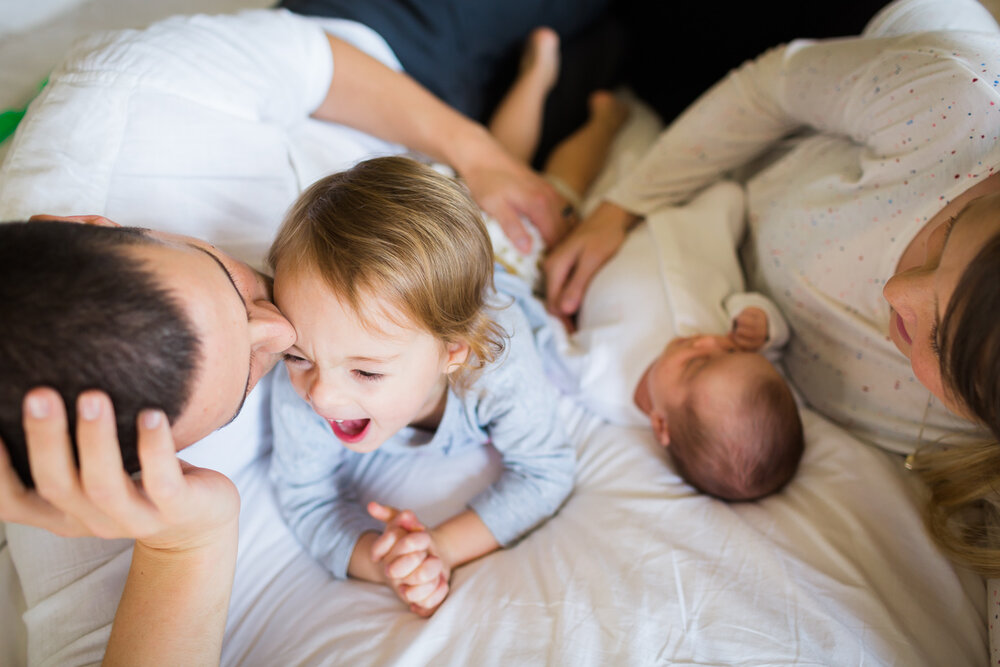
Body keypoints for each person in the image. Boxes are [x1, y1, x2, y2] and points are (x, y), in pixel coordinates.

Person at [0, 7, 586, 663]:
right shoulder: (84, 507)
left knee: (533, 185)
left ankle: (545, 83)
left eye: (240, 284)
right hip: (408, 230)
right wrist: (205, 537)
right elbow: (308, 497)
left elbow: (320, 59)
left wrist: (477, 154)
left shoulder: (127, 89)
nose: (285, 333)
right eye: (271, 364)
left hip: (409, 128)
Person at [542, 0, 1000, 574]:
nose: (891, 293)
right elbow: (769, 88)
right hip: (777, 81)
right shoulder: (959, 107)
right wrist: (622, 206)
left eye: (936, 341)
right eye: (951, 231)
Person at [267, 156, 574, 617]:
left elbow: (545, 471)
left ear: (453, 353)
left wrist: (444, 546)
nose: (321, 396)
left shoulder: (499, 370)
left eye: (367, 372)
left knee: (554, 187)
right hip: (441, 247)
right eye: (296, 357)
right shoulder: (312, 357)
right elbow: (305, 496)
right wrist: (390, 562)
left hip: (509, 257)